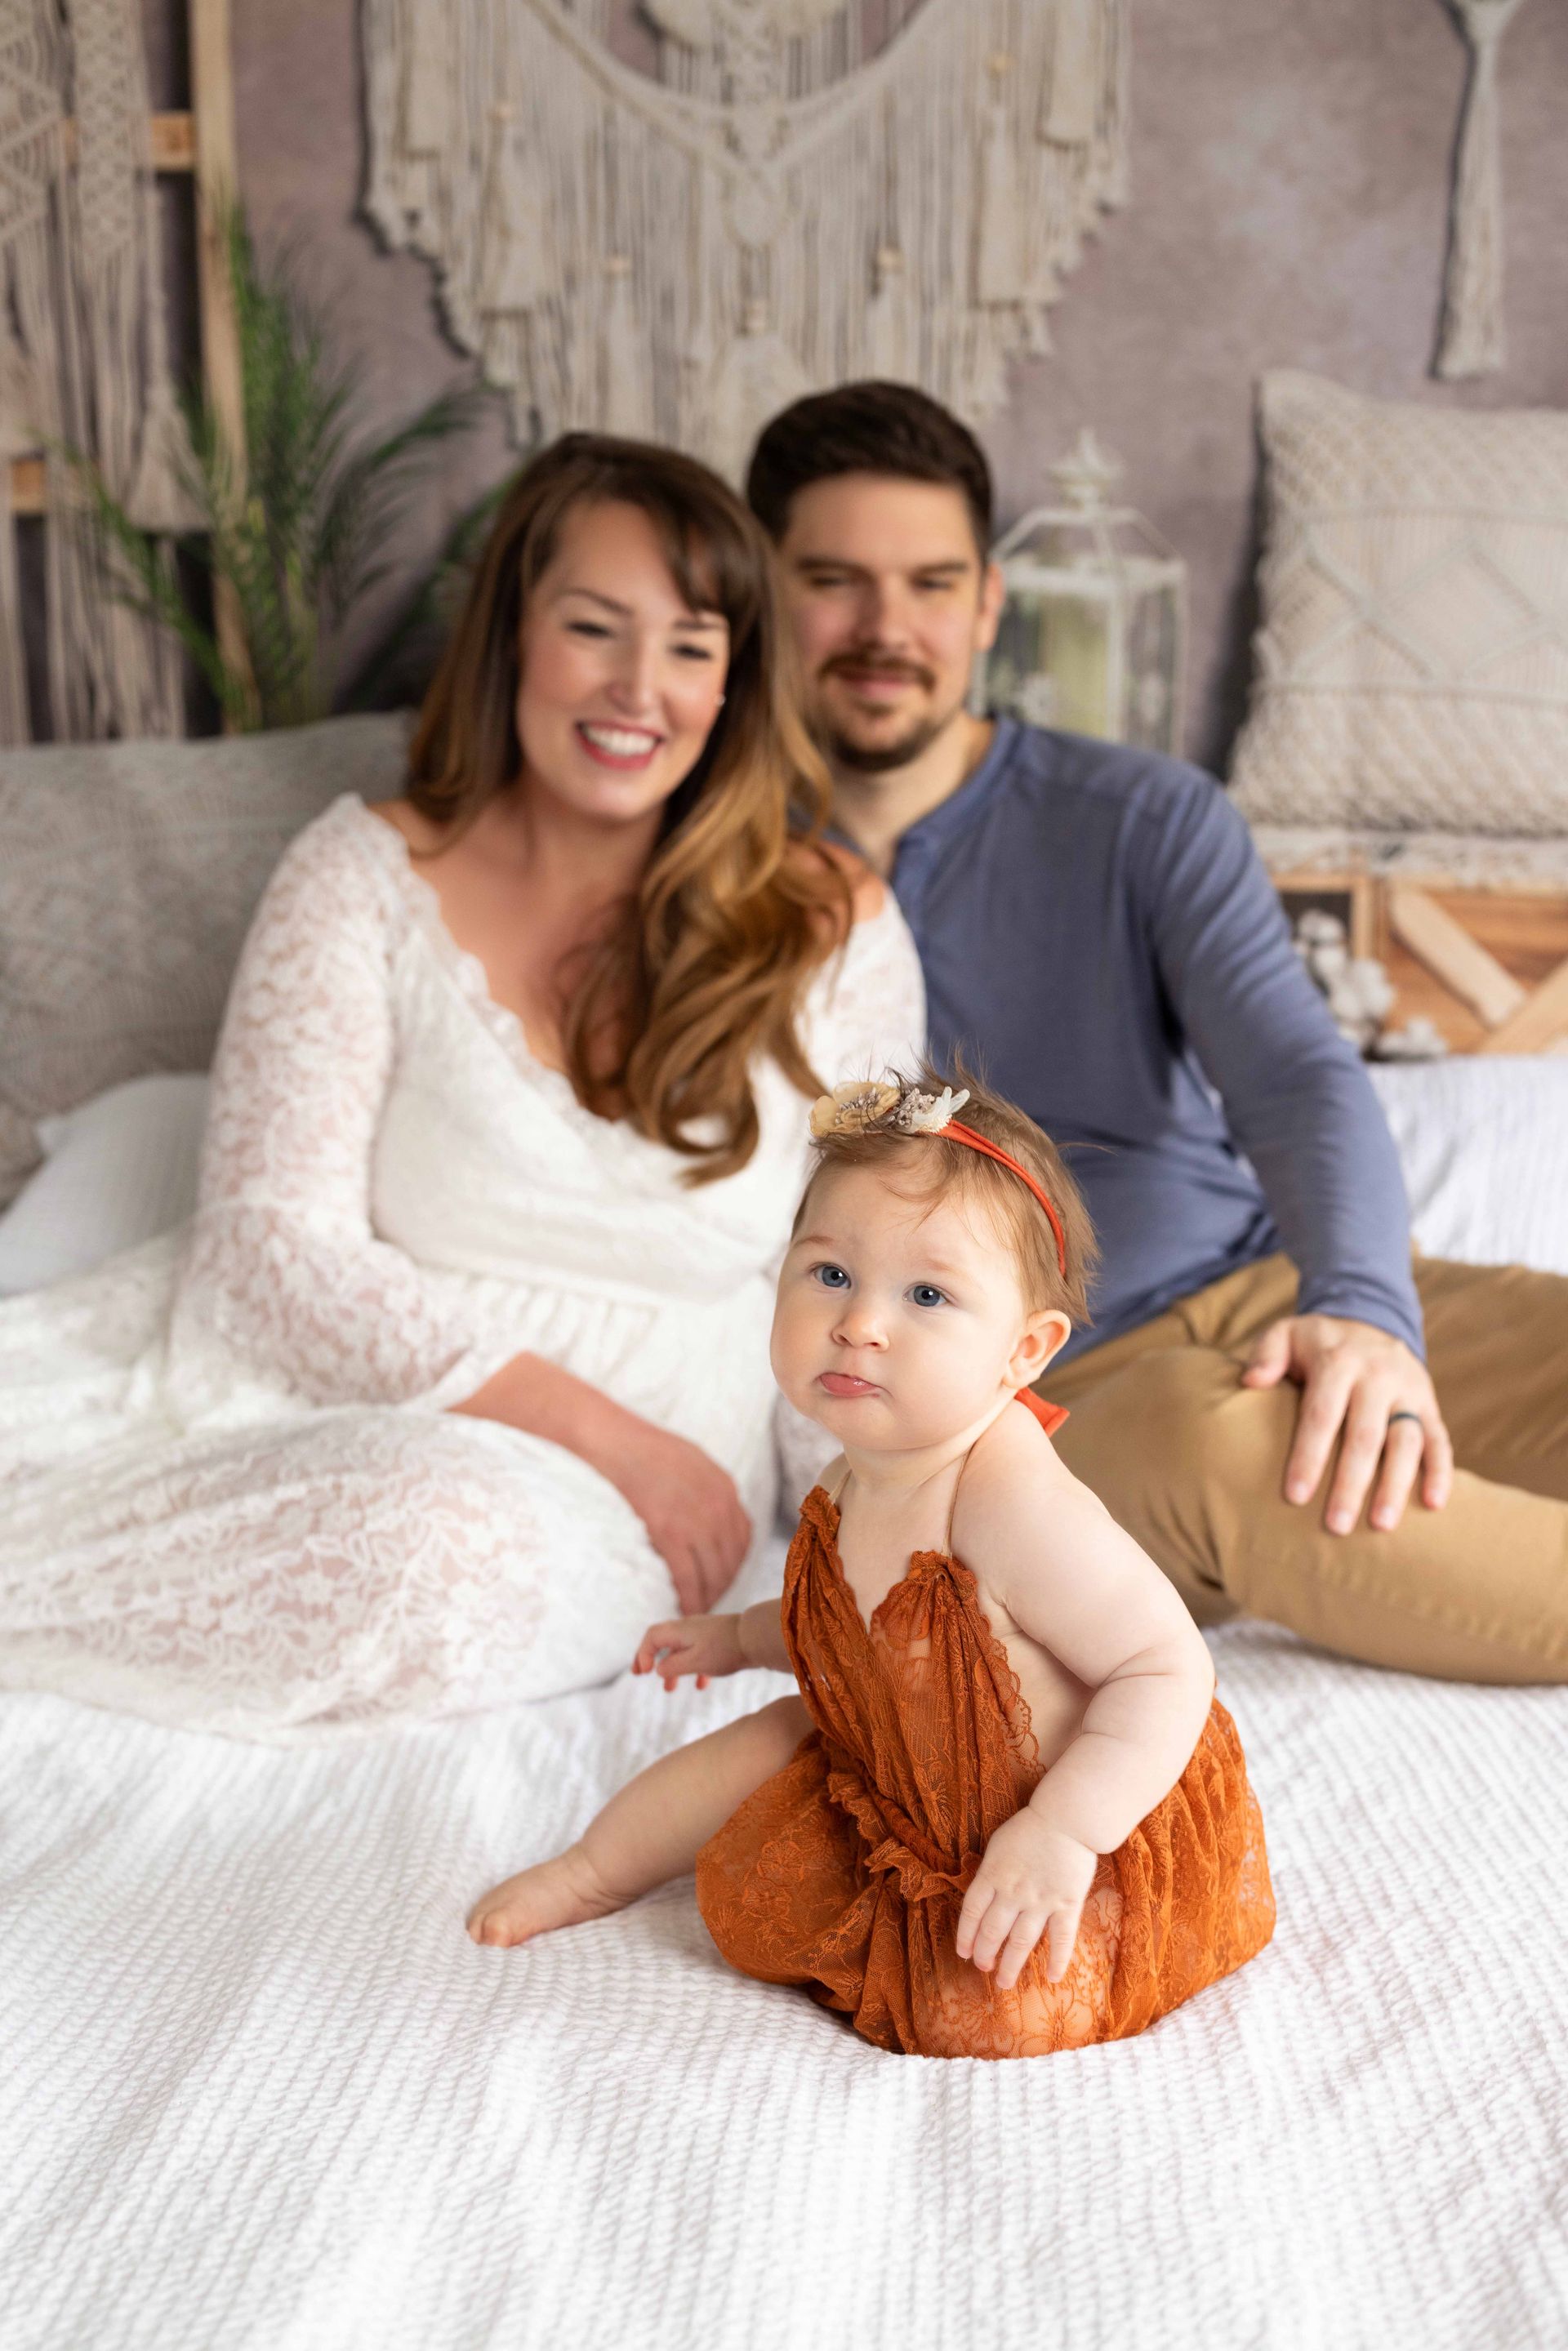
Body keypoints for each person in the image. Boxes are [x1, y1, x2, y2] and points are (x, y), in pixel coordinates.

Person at [0, 435, 924, 1740]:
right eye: (593, 627)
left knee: (440, 1541)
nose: (636, 688)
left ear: (735, 681)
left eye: (689, 645)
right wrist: (612, 1435)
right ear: (511, 639)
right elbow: (267, 1254)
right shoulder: (361, 874)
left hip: (584, 1502)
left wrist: (894, 1547)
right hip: (292, 1391)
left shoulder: (834, 926)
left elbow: (862, 1288)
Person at [742, 381, 1568, 1686]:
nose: (886, 628)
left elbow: (1298, 1072)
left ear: (989, 605)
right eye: (834, 580)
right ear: (762, 596)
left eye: (933, 582)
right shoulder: (709, 872)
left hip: (1256, 1289)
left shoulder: (1141, 817)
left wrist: (1361, 1310)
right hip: (1016, 1397)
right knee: (1223, 1449)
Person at [466, 1070, 1274, 2059]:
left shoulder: (1013, 1498)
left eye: (927, 1293)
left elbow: (1165, 1668)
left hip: (1053, 1809)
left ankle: (1045, 1868)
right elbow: (849, 1620)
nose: (860, 1322)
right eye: (831, 1273)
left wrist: (1064, 1832)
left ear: (1024, 1350)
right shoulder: (863, 1467)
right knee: (763, 1746)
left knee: (984, 2005)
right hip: (898, 1758)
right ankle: (593, 1869)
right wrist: (736, 1636)